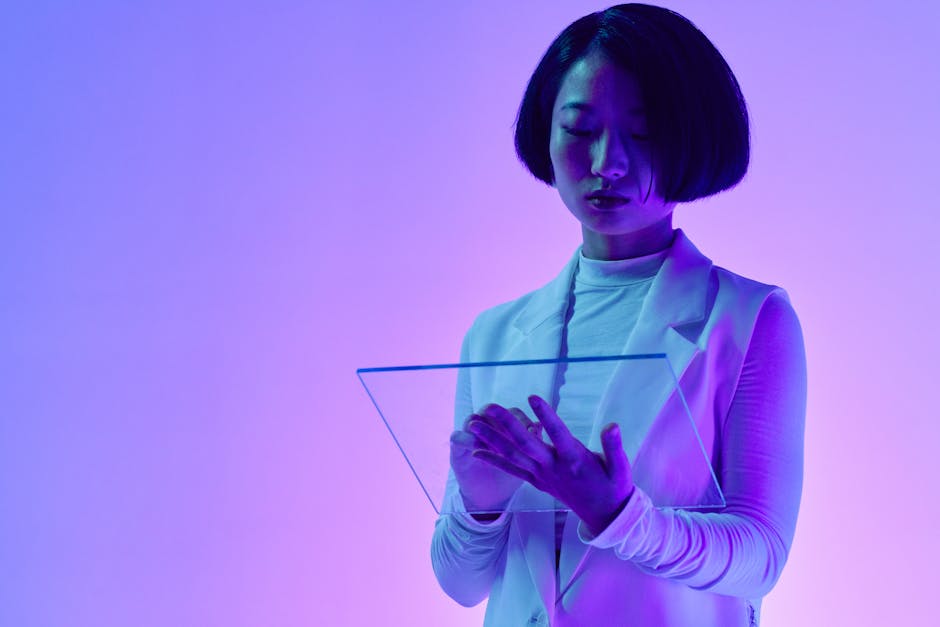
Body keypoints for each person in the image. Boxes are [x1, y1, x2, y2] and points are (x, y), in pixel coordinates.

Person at [430, 4, 807, 626]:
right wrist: (480, 505)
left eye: (644, 132)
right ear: (546, 135)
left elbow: (761, 556)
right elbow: (461, 584)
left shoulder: (750, 319)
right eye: (579, 130)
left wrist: (621, 517)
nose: (606, 162)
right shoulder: (493, 334)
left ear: (692, 137)